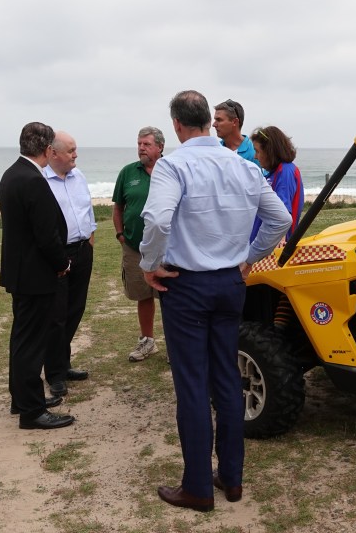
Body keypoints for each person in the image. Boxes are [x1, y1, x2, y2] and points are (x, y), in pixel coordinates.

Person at [141, 91, 292, 512]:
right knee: (226, 376)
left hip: (186, 285)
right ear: (208, 120)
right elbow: (281, 218)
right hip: (230, 282)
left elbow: (157, 220)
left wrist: (149, 264)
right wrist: (250, 257)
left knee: (192, 383)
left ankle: (197, 487)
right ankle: (231, 476)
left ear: (176, 124)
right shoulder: (244, 165)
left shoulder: (173, 165)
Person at [0, 122, 75, 430]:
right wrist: (62, 263)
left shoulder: (11, 174)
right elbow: (46, 234)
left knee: (22, 338)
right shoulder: (33, 180)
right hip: (35, 273)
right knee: (31, 344)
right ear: (47, 149)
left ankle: (22, 399)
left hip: (20, 272)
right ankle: (32, 411)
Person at [43, 131, 94, 397]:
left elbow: (87, 210)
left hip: (83, 250)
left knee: (75, 309)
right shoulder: (41, 181)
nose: (76, 155)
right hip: (58, 254)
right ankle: (54, 373)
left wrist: (91, 238)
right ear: (53, 153)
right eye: (71, 150)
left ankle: (63, 363)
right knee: (56, 315)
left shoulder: (79, 176)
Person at [112, 126, 164, 362]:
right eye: (139, 144)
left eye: (146, 144)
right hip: (134, 247)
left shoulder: (171, 169)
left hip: (166, 248)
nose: (141, 148)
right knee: (143, 295)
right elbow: (118, 208)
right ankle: (147, 341)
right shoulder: (127, 172)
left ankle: (175, 345)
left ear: (160, 147)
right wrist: (120, 235)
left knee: (170, 297)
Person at [248, 125, 304, 242]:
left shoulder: (285, 171)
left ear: (269, 151)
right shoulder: (272, 174)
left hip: (272, 246)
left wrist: (280, 239)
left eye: (257, 151)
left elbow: (282, 211)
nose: (255, 156)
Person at [213, 99, 261, 169]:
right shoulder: (215, 150)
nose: (214, 124)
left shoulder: (254, 153)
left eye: (219, 120)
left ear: (235, 122)